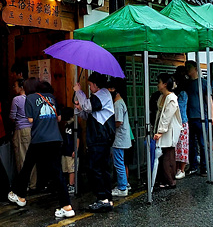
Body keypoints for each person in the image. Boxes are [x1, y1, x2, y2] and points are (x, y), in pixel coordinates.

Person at [8, 78, 74, 218]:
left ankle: (20, 196)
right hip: (55, 138)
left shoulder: (30, 98)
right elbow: (59, 118)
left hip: (39, 138)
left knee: (27, 167)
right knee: (57, 172)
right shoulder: (51, 97)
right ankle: (67, 206)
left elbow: (30, 119)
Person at [73, 72, 116, 212]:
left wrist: (79, 92)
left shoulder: (102, 94)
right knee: (103, 169)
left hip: (99, 138)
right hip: (101, 137)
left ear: (96, 85)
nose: (90, 88)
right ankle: (107, 199)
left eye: (90, 85)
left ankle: (102, 198)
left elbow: (88, 107)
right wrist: (79, 108)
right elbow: (88, 114)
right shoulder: (102, 96)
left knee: (96, 168)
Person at [185, 60, 213, 176]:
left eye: (189, 67)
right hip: (189, 117)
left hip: (201, 117)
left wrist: (212, 116)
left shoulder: (203, 83)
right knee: (191, 143)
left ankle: (204, 167)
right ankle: (193, 166)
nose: (187, 69)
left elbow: (209, 100)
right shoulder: (187, 84)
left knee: (203, 143)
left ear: (196, 69)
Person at [154, 73, 182, 189]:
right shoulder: (162, 97)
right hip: (162, 128)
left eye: (159, 82)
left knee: (168, 155)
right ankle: (164, 179)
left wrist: (161, 131)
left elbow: (167, 116)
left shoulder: (172, 98)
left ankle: (170, 181)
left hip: (169, 130)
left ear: (165, 84)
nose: (157, 84)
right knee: (163, 154)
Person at [9, 79, 36, 191]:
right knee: (32, 157)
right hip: (32, 129)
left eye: (15, 85)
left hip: (21, 129)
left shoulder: (17, 99)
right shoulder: (32, 98)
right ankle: (33, 183)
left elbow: (12, 116)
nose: (13, 88)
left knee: (22, 157)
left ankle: (24, 184)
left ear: (21, 87)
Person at [108, 78, 132, 197]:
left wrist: (109, 126)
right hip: (121, 138)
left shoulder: (117, 104)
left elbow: (118, 122)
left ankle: (122, 188)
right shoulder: (120, 102)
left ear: (114, 89)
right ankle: (124, 184)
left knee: (118, 163)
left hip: (119, 139)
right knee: (120, 162)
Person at [173, 65, 189, 180]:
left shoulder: (182, 93)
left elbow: (180, 108)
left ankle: (181, 169)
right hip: (180, 121)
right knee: (178, 146)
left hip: (181, 121)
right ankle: (178, 168)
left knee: (181, 146)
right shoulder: (179, 92)